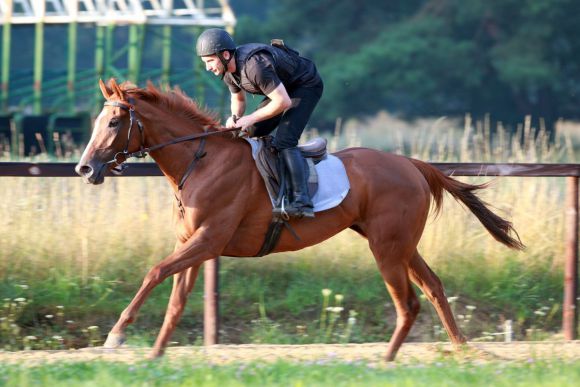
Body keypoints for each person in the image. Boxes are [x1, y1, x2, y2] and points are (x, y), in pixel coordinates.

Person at [196, 28, 323, 219]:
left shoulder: (254, 67)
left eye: (210, 61)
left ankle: (301, 201)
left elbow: (283, 103)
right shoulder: (228, 71)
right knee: (250, 131)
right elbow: (238, 100)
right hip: (283, 89)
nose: (208, 68)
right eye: (205, 62)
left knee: (285, 141)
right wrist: (235, 118)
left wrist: (251, 117)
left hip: (304, 85)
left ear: (224, 55)